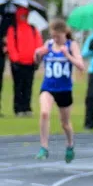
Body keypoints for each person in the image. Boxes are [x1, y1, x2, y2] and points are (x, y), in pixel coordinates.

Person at [32, 20, 84, 162]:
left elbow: (81, 66)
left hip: (64, 89)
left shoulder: (71, 45)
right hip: (48, 87)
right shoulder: (48, 44)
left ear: (64, 34)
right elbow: (36, 61)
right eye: (53, 36)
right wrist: (38, 54)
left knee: (65, 123)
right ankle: (44, 147)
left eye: (58, 37)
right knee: (44, 113)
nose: (55, 39)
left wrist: (67, 55)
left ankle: (70, 144)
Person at [6, 6, 44, 117]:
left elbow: (38, 43)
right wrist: (15, 59)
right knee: (18, 86)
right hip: (18, 63)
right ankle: (18, 108)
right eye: (22, 15)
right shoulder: (13, 29)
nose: (24, 17)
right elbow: (11, 44)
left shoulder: (32, 28)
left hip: (30, 63)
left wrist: (37, 58)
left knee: (28, 86)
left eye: (26, 15)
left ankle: (27, 107)